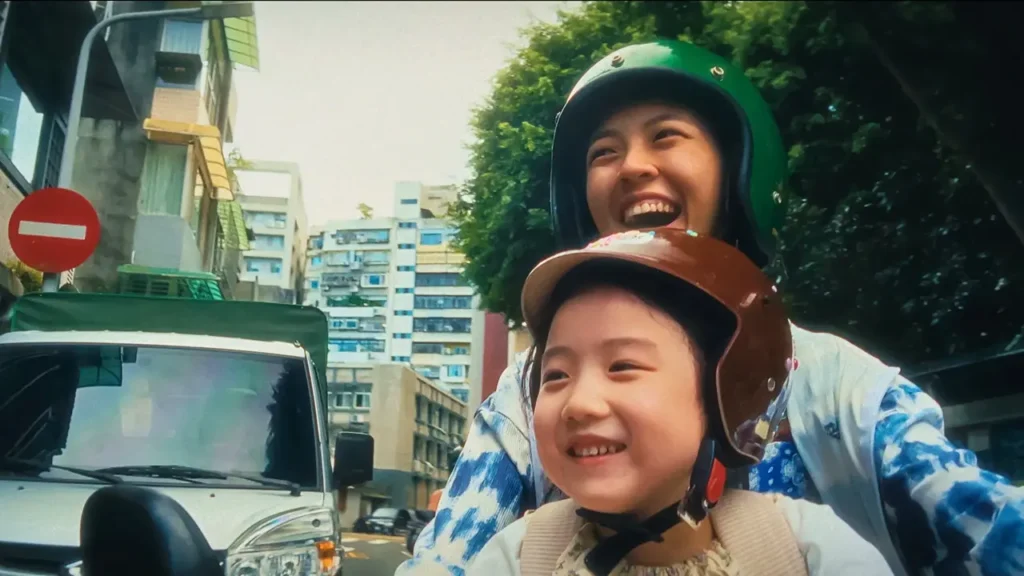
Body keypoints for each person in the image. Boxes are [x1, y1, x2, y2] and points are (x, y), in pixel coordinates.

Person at [398, 39, 1024, 576]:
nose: (633, 167)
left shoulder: (841, 390)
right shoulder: (525, 397)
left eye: (666, 136)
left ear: (739, 173)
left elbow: (987, 529)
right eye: (603, 152)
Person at [468, 227, 893, 576]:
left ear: (725, 393)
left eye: (623, 367)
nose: (579, 404)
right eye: (556, 375)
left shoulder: (804, 550)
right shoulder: (519, 559)